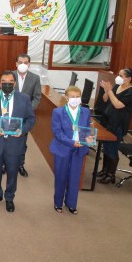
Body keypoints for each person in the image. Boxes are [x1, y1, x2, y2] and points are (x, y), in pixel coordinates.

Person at [0, 70, 36, 213]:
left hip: (15, 143)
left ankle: (9, 197)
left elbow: (31, 119)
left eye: (10, 82)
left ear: (15, 83)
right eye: (4, 82)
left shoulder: (24, 99)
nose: (7, 84)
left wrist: (22, 130)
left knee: (12, 172)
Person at [50, 86, 93, 214]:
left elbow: (87, 129)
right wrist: (72, 143)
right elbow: (57, 132)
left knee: (74, 178)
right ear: (67, 97)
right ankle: (58, 203)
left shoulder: (85, 111)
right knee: (61, 177)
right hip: (62, 148)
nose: (75, 99)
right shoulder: (58, 112)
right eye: (72, 96)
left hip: (79, 149)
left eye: (78, 96)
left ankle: (71, 203)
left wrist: (89, 138)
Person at [97, 68, 132, 184]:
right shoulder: (117, 86)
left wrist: (110, 91)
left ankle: (111, 175)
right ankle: (105, 171)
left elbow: (117, 105)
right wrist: (106, 91)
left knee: (112, 149)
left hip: (118, 124)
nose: (118, 77)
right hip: (108, 121)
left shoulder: (131, 92)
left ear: (128, 79)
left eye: (121, 75)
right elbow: (105, 99)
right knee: (106, 147)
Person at [12, 53, 42, 177]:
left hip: (24, 116)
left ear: (29, 64)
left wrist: (28, 110)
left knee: (22, 141)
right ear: (16, 64)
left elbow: (37, 97)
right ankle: (4, 164)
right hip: (10, 114)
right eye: (20, 62)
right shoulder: (9, 76)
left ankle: (20, 164)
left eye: (25, 62)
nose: (23, 64)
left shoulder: (35, 78)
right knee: (6, 139)